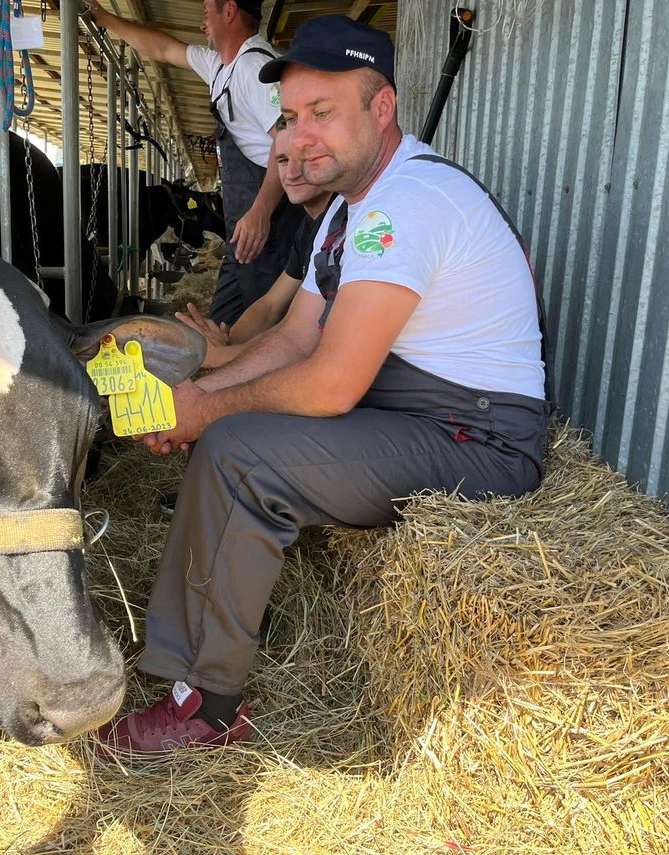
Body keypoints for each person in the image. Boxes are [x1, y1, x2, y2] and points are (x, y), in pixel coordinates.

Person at [94, 14, 553, 757]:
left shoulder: (408, 203)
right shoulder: (348, 210)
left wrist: (209, 406)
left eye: (322, 113)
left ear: (382, 108)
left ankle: (208, 709)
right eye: (290, 116)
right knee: (225, 437)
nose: (301, 137)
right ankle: (181, 664)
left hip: (479, 436)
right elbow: (291, 338)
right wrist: (197, 393)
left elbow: (333, 381)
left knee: (242, 452)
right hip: (412, 409)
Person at [86, 0, 307, 327]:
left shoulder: (253, 68)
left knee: (267, 327)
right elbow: (162, 48)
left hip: (270, 225)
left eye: (206, 13)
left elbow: (288, 139)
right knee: (219, 328)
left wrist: (260, 212)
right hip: (241, 231)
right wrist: (104, 18)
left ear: (229, 10)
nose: (203, 24)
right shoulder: (220, 67)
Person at [176, 122, 334, 369]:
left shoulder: (339, 227)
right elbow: (269, 306)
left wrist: (221, 357)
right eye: (282, 161)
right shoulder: (309, 229)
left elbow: (297, 337)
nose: (290, 173)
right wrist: (225, 343)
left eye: (304, 159)